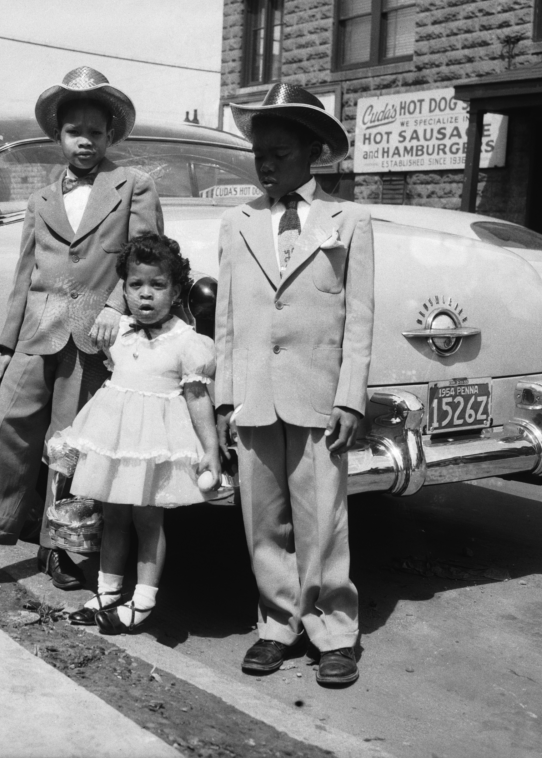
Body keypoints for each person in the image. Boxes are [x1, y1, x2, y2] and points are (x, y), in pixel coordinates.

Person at [0, 67, 164, 589]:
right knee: (4, 431)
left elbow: (147, 258)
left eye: (96, 132)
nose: (86, 141)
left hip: (95, 333)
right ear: (59, 136)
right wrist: (7, 342)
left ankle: (61, 548)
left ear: (111, 135)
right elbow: (24, 273)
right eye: (76, 131)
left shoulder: (134, 186)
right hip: (38, 329)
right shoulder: (41, 199)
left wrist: (118, 307)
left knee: (70, 442)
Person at [214, 83, 374, 686]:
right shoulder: (238, 222)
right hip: (254, 393)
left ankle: (334, 631)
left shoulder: (350, 220)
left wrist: (350, 397)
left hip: (318, 396)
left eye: (281, 151)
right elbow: (227, 319)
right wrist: (226, 397)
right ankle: (277, 624)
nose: (267, 163)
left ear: (314, 152)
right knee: (263, 520)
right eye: (260, 152)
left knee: (323, 519)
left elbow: (359, 319)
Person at [46, 233, 222, 633]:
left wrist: (210, 449)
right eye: (135, 285)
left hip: (154, 446)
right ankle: (108, 591)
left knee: (148, 521)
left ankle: (143, 600)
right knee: (113, 517)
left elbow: (197, 400)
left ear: (176, 291)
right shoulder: (117, 333)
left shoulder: (188, 342)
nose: (145, 295)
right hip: (116, 442)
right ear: (123, 288)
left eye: (157, 286)